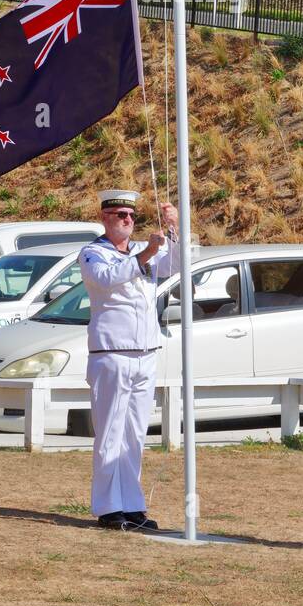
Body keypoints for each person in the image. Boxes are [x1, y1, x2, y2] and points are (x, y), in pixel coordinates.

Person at [78, 190, 179, 532]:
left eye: (132, 215)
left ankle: (132, 505)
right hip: (112, 353)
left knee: (135, 433)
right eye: (120, 214)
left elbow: (175, 266)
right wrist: (147, 253)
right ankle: (108, 507)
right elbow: (105, 280)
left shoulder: (140, 251)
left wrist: (174, 228)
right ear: (105, 217)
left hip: (145, 353)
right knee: (110, 433)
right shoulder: (93, 253)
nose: (127, 220)